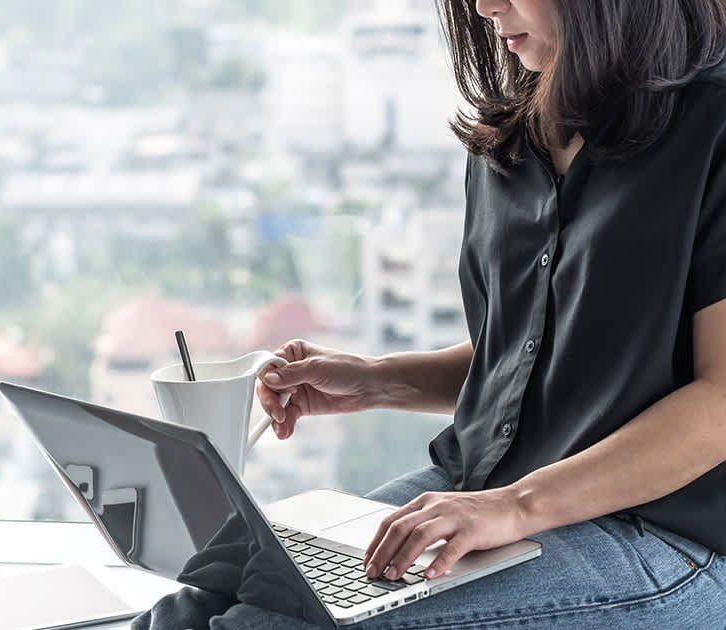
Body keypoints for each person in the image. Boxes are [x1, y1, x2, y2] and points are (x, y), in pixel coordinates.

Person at [132, 0, 726, 628]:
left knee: (271, 625)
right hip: (484, 491)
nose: (483, 6)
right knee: (201, 599)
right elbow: (536, 351)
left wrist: (517, 506)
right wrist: (376, 379)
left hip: (659, 535)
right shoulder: (510, 136)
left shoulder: (712, 129)